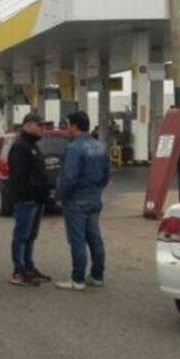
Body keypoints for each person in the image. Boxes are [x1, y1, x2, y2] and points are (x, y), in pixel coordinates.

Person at [55, 111, 110, 291]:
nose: (66, 129)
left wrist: (60, 196)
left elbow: (69, 177)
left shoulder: (73, 148)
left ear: (75, 126)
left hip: (76, 200)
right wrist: (96, 190)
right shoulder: (100, 146)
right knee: (95, 238)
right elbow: (106, 175)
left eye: (68, 124)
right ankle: (97, 275)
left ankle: (77, 279)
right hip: (94, 199)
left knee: (77, 240)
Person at [7, 113, 52, 286]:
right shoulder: (21, 147)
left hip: (36, 200)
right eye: (39, 125)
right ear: (27, 125)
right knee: (21, 236)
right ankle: (18, 271)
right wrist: (29, 196)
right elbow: (18, 177)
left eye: (44, 125)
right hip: (27, 200)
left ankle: (28, 267)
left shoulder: (33, 146)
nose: (43, 129)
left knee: (31, 237)